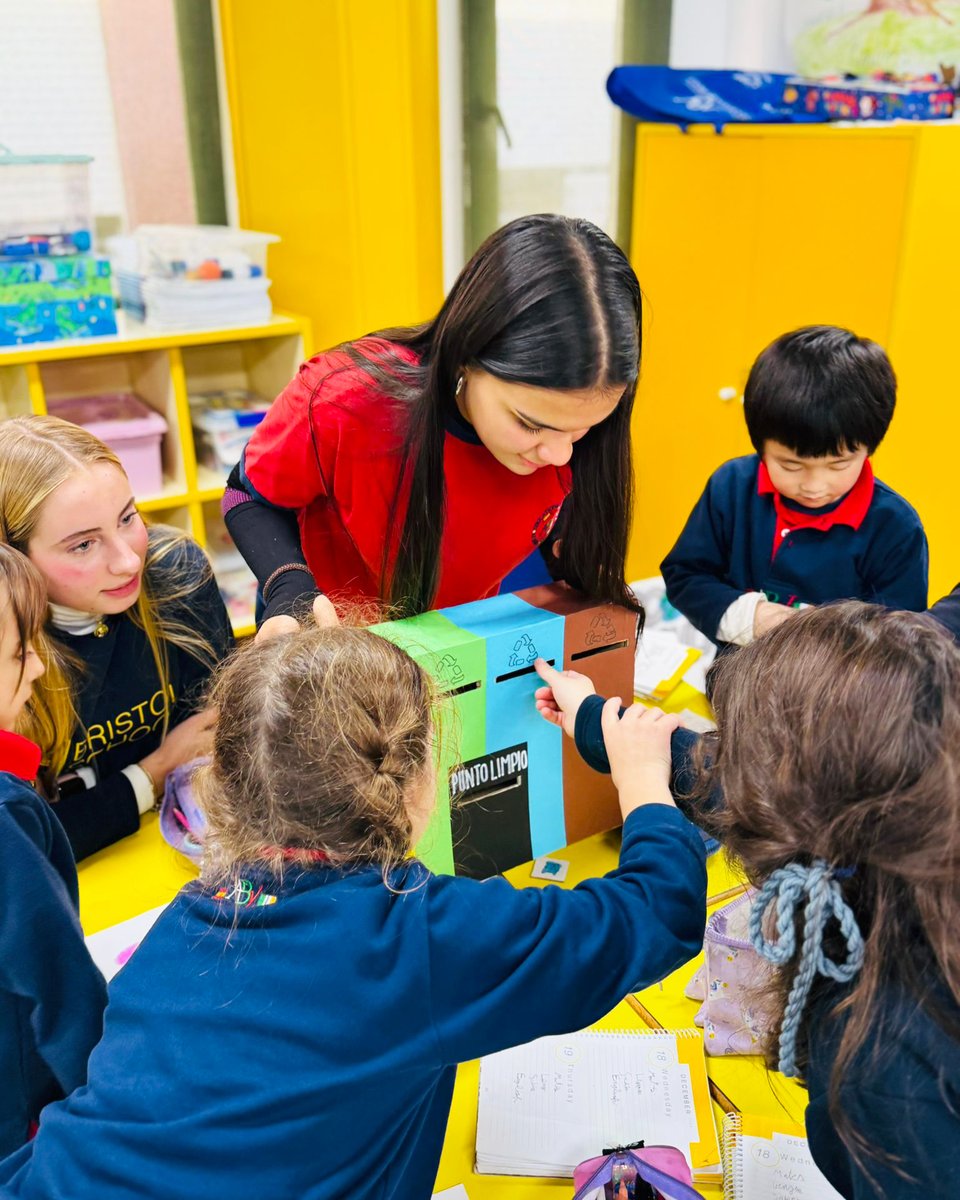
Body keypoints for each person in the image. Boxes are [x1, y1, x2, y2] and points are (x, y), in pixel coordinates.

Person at [0, 625, 707, 1199]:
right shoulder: (417, 933)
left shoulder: (193, 910)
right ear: (413, 785)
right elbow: (656, 916)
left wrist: (315, 689)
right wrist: (643, 781)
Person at [538, 606, 960, 1199]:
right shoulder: (903, 801)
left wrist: (643, 792)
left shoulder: (884, 1062)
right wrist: (597, 722)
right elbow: (733, 778)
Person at [222, 213, 643, 639]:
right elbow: (246, 494)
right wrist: (290, 592)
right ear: (467, 355)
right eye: (531, 424)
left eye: (581, 429)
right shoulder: (347, 400)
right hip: (337, 652)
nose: (560, 454)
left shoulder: (579, 436)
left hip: (450, 643)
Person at [0, 416, 233, 861]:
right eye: (83, 545)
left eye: (128, 517)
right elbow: (23, 842)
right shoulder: (7, 650)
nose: (128, 561)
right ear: (15, 557)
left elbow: (219, 748)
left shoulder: (176, 576)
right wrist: (154, 772)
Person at [661, 325, 928, 649]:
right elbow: (684, 575)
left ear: (869, 448)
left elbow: (902, 639)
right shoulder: (731, 488)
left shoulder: (894, 527)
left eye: (838, 464)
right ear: (761, 447)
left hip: (842, 694)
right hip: (735, 679)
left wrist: (827, 637)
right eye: (791, 465)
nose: (814, 486)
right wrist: (752, 618)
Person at [0, 543, 107, 1158]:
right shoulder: (6, 816)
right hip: (25, 1119)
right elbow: (60, 985)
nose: (39, 669)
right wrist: (114, 1106)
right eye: (21, 654)